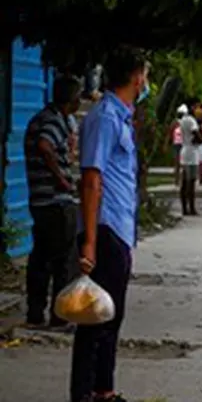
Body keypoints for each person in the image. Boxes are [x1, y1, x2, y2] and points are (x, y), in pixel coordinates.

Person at [72, 47, 148, 402]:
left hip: (119, 228)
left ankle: (104, 390)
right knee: (94, 320)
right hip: (103, 229)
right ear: (136, 77)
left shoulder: (121, 117)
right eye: (145, 74)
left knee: (110, 314)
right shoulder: (104, 117)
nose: (146, 81)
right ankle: (85, 393)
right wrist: (88, 241)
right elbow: (91, 178)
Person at [23, 75, 83, 331]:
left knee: (41, 258)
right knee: (64, 260)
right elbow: (45, 145)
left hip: (40, 200)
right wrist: (61, 179)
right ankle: (60, 316)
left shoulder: (43, 118)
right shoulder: (52, 121)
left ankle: (36, 314)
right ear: (72, 99)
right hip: (55, 200)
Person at [176, 100, 201, 216]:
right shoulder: (191, 121)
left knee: (185, 182)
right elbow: (196, 135)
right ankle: (191, 207)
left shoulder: (183, 120)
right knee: (191, 182)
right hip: (192, 152)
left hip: (185, 150)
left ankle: (185, 208)